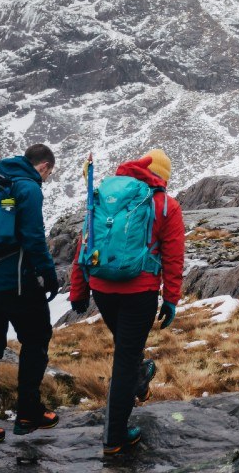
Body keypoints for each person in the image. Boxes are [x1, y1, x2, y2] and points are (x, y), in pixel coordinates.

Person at [70, 149, 184, 456]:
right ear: (163, 176)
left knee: (127, 350)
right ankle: (114, 436)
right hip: (139, 292)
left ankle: (140, 376)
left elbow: (85, 243)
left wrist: (78, 291)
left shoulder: (106, 197)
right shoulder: (165, 205)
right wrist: (171, 298)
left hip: (102, 289)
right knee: (125, 359)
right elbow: (173, 258)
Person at [0, 143, 60, 446]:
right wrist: (48, 274)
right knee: (36, 339)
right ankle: (28, 412)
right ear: (43, 166)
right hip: (18, 285)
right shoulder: (28, 188)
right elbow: (33, 237)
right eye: (49, 172)